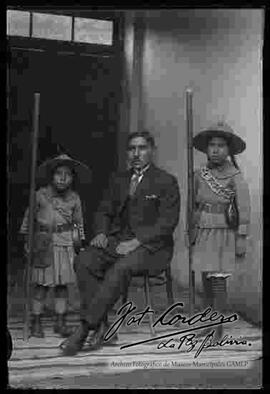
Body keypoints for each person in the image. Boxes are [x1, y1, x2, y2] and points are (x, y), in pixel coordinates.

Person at [60, 130, 180, 356]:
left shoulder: (166, 181)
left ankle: (85, 329)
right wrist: (103, 232)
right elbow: (104, 210)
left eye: (142, 148)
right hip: (118, 241)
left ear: (152, 151)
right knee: (85, 260)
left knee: (120, 268)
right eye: (132, 149)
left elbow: (167, 224)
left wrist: (136, 242)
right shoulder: (119, 180)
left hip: (153, 248)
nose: (136, 153)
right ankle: (104, 325)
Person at [20, 154, 91, 338]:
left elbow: (78, 225)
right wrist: (28, 242)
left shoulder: (74, 198)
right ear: (51, 176)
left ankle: (60, 322)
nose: (62, 178)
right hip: (44, 245)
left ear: (72, 178)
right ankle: (36, 321)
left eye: (67, 174)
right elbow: (29, 220)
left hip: (66, 245)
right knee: (41, 286)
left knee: (62, 287)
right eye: (58, 173)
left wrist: (78, 248)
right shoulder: (40, 195)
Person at [191, 121, 250, 308]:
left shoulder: (235, 176)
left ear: (229, 150)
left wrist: (241, 237)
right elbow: (192, 204)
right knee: (205, 280)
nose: (215, 150)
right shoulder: (199, 174)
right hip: (203, 231)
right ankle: (209, 323)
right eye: (212, 145)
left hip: (223, 233)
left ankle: (218, 326)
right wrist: (191, 229)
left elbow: (244, 207)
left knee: (217, 282)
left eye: (221, 146)